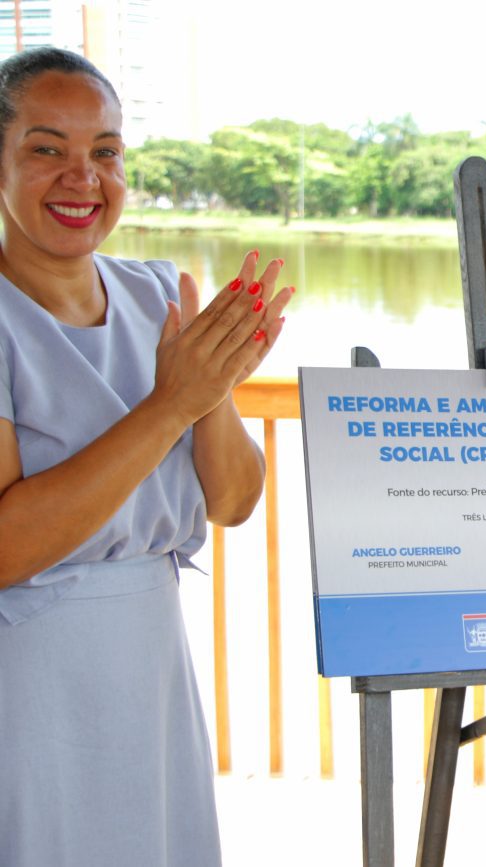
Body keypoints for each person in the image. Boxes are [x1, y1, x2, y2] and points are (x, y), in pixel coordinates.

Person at [0, 47, 293, 866]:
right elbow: (7, 545)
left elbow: (233, 500)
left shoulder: (161, 296)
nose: (81, 177)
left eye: (105, 152)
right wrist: (171, 403)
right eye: (46, 148)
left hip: (149, 654)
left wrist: (212, 390)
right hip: (29, 673)